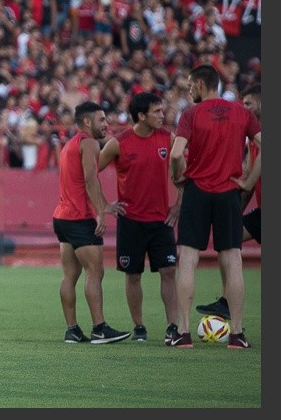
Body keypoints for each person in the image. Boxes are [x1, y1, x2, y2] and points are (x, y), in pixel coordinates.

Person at [168, 64, 261, 349]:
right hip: (229, 190)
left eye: (189, 84)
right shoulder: (242, 113)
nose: (188, 89)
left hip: (197, 190)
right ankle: (237, 333)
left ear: (199, 84)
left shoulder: (191, 114)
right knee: (232, 259)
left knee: (189, 259)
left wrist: (177, 177)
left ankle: (183, 333)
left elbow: (175, 154)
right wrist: (248, 181)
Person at [97, 92, 180, 344]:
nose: (162, 116)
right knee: (133, 274)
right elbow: (90, 173)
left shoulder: (169, 138)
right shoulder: (118, 143)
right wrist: (104, 205)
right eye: (156, 112)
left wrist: (178, 206)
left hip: (161, 221)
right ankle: (139, 327)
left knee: (168, 271)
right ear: (141, 116)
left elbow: (183, 175)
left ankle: (173, 327)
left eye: (162, 111)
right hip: (130, 221)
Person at [52, 101, 131, 344]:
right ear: (87, 122)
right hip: (80, 218)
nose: (106, 124)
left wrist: (101, 205)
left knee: (70, 275)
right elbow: (89, 180)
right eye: (101, 119)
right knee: (95, 272)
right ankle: (99, 328)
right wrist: (102, 210)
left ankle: (72, 330)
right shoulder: (88, 143)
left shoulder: (70, 145)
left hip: (62, 217)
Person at [195, 83, 262, 320]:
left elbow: (249, 181)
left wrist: (246, 183)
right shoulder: (252, 139)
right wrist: (236, 212)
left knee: (229, 242)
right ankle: (226, 300)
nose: (243, 109)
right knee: (229, 240)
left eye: (248, 104)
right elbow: (250, 184)